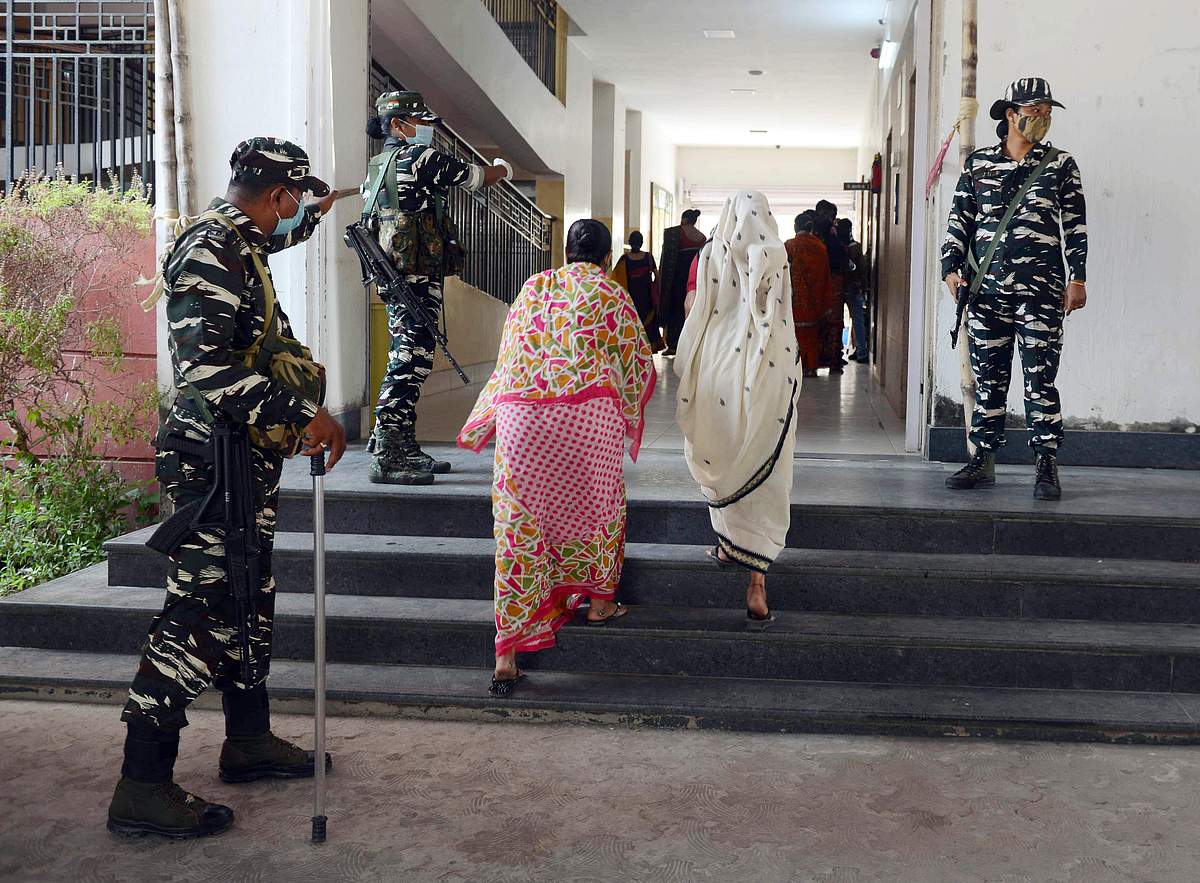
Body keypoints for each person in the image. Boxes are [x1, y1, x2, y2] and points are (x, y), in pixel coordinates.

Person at [108, 138, 347, 838]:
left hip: (241, 452)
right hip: (211, 459)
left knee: (247, 591)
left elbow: (276, 241)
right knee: (200, 609)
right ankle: (141, 782)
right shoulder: (211, 249)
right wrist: (306, 411)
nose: (294, 212)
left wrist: (314, 216)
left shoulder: (242, 242)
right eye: (294, 200)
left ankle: (248, 740)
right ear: (275, 195)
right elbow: (205, 368)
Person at [458, 219, 656, 696]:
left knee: (518, 526)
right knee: (602, 505)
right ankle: (599, 603)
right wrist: (626, 410)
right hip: (587, 418)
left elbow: (509, 358)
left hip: (522, 418)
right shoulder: (611, 293)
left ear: (564, 253)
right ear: (607, 259)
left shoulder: (533, 288)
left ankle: (506, 655)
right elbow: (637, 362)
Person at [942, 77, 1088, 500]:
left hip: (1042, 291)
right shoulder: (978, 164)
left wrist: (1077, 279)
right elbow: (959, 223)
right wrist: (951, 270)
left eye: (1047, 112)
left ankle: (1046, 464)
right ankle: (982, 460)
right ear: (1011, 113)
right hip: (986, 291)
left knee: (1040, 379)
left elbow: (1075, 227)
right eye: (1035, 110)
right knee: (989, 378)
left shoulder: (1061, 165)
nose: (1043, 118)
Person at [363, 90, 512, 485]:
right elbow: (476, 177)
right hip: (412, 279)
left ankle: (404, 445)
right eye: (421, 123)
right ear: (399, 125)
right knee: (409, 361)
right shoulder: (418, 158)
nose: (427, 130)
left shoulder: (379, 164)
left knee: (411, 357)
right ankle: (387, 452)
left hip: (398, 278)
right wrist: (504, 169)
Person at [675, 190, 799, 628]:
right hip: (769, 373)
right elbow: (781, 317)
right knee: (765, 463)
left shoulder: (708, 256)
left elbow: (693, 309)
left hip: (719, 370)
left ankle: (729, 543)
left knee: (723, 451)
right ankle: (757, 585)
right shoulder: (777, 257)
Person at [785, 211, 833, 377]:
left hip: (796, 299)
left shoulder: (789, 246)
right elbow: (825, 274)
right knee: (812, 335)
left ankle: (798, 366)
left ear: (795, 227)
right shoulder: (820, 247)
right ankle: (812, 367)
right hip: (815, 298)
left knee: (796, 336)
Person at [657, 209, 708, 354]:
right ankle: (690, 345)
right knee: (690, 313)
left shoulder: (675, 234)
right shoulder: (702, 238)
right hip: (694, 281)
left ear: (684, 219)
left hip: (676, 281)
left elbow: (667, 260)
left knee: (675, 313)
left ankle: (673, 345)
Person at [611, 230, 663, 350]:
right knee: (648, 323)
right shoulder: (648, 257)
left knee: (633, 322)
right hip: (647, 298)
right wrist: (657, 291)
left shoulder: (624, 259)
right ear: (642, 242)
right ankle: (648, 347)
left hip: (630, 299)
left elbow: (615, 278)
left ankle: (634, 347)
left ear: (629, 243)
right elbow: (657, 276)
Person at [815, 199, 849, 373]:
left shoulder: (821, 233)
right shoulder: (823, 234)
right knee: (830, 324)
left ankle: (823, 361)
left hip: (824, 285)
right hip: (829, 283)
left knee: (831, 324)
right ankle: (830, 361)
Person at [839, 218, 870, 363]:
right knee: (857, 320)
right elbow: (862, 268)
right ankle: (862, 352)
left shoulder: (839, 247)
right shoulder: (855, 247)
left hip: (842, 287)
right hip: (853, 287)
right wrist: (863, 285)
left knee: (841, 320)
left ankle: (858, 351)